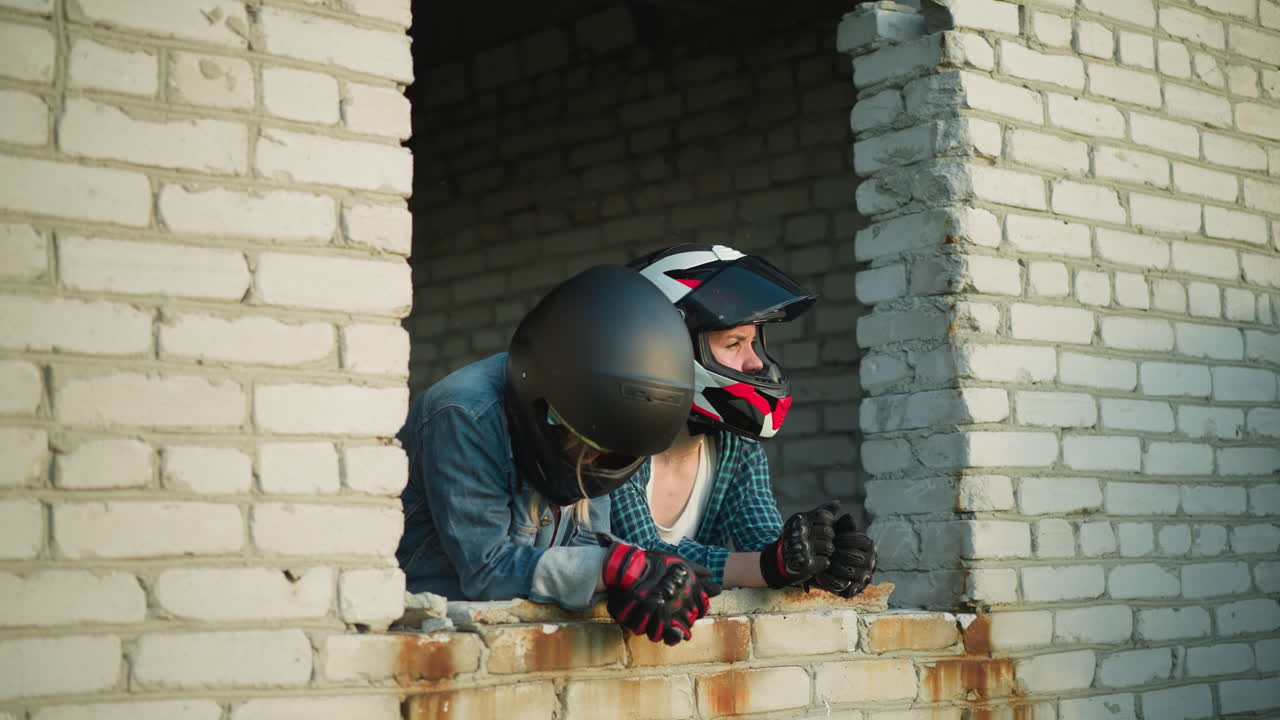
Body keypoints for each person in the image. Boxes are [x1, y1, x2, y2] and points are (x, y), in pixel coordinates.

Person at [395, 264, 721, 644]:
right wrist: (611, 568)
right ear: (550, 410)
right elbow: (486, 570)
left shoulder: (598, 420)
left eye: (612, 455)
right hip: (430, 640)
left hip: (518, 638)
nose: (595, 464)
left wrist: (629, 585)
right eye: (591, 448)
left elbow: (584, 543)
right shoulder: (464, 415)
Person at [610, 244, 877, 597]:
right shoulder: (610, 442)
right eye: (734, 343)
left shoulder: (737, 447)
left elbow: (761, 544)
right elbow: (642, 558)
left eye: (754, 343)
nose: (756, 363)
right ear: (667, 347)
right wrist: (770, 566)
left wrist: (816, 563)